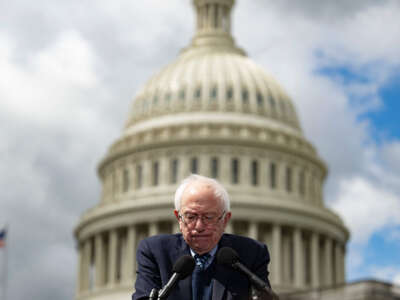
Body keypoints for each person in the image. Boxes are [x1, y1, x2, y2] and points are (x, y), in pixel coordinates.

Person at [132, 174, 272, 300]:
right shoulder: (155, 252)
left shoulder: (251, 254)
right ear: (178, 218)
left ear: (225, 220)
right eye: (191, 217)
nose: (199, 226)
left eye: (209, 217)